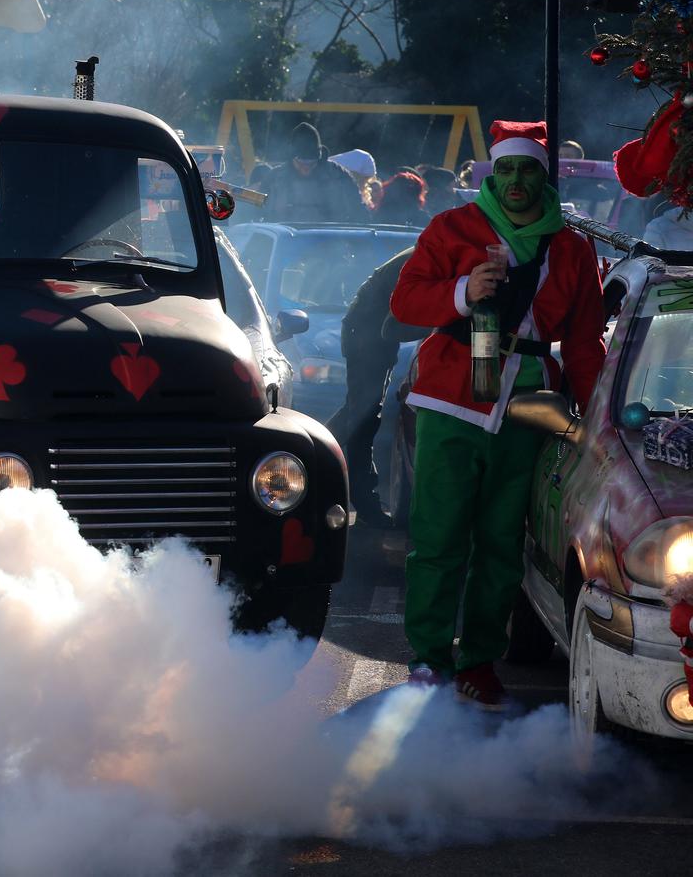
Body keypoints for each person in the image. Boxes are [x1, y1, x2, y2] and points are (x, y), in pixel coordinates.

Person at [390, 120, 606, 707]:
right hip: (450, 400)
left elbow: (585, 343)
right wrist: (463, 290)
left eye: (527, 169)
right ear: (492, 173)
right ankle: (430, 657)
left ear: (544, 175)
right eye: (505, 169)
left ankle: (479, 658)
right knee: (437, 536)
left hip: (528, 409)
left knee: (502, 543)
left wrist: (596, 417)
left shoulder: (572, 248)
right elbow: (405, 301)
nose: (514, 181)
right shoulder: (451, 227)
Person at [327, 248, 427, 521]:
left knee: (360, 415)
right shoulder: (427, 260)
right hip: (367, 336)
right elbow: (392, 326)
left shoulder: (430, 253)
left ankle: (319, 467)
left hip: (367, 333)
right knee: (362, 417)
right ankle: (356, 498)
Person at [258, 122, 364, 223]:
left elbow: (359, 210)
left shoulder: (338, 175)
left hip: (331, 239)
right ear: (292, 158)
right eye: (301, 163)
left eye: (311, 163)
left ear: (319, 157)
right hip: (285, 239)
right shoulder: (274, 178)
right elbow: (253, 211)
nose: (305, 168)